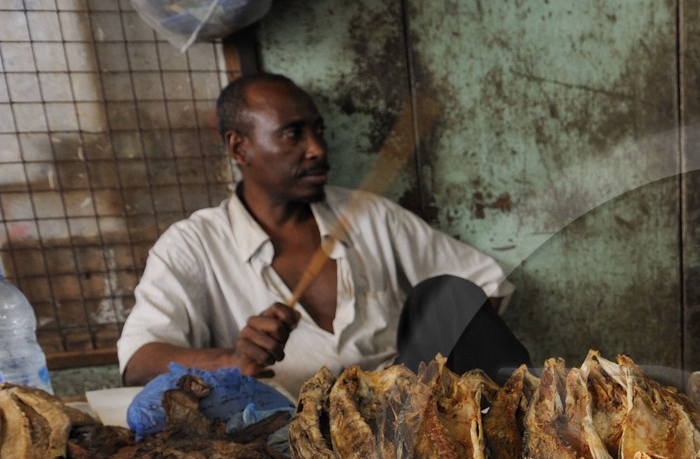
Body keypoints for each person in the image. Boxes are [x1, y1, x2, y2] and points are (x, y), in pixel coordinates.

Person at [118, 73, 529, 396]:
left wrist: (423, 372)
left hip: (404, 422)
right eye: (293, 134)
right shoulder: (192, 245)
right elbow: (138, 361)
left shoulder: (369, 215)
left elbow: (485, 283)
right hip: (288, 435)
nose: (317, 149)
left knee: (447, 295)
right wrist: (231, 360)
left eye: (319, 131)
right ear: (239, 148)